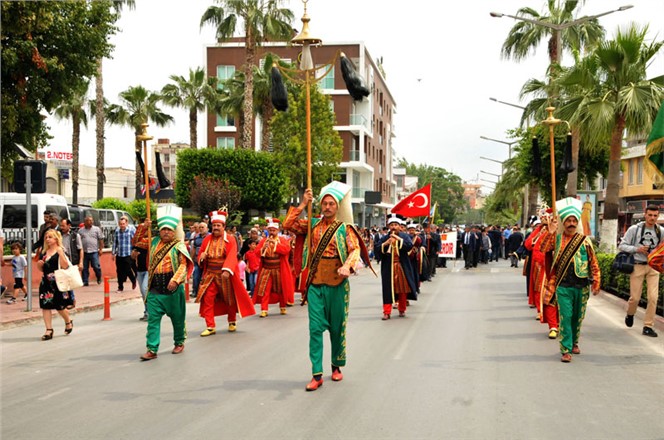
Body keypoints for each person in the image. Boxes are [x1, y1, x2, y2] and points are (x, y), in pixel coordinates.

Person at [283, 182, 373, 391]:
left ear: (337, 206)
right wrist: (303, 202)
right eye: (325, 203)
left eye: (332, 204)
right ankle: (316, 374)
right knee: (315, 329)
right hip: (315, 283)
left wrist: (347, 266)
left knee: (336, 328)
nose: (328, 207)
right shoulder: (311, 224)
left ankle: (336, 366)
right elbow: (288, 225)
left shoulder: (345, 228)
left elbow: (355, 250)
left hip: (337, 283)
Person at [540, 197, 601, 362]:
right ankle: (565, 349)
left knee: (577, 317)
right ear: (564, 222)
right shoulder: (557, 238)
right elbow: (543, 248)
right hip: (563, 286)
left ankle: (575, 342)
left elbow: (593, 263)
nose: (571, 223)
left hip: (581, 286)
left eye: (574, 220)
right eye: (568, 220)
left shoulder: (585, 240)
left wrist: (596, 281)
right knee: (565, 316)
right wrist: (550, 231)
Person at [140, 206, 193, 361]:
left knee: (177, 318)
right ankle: (152, 349)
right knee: (153, 321)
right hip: (155, 289)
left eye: (169, 230)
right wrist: (144, 227)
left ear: (174, 231)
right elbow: (136, 242)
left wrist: (176, 280)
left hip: (173, 289)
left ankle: (179, 342)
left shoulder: (178, 245)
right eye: (163, 229)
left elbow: (184, 265)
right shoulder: (153, 242)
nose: (166, 232)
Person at [195, 210, 255, 336]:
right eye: (214, 225)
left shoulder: (230, 239)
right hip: (210, 274)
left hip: (224, 274)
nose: (216, 228)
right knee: (207, 298)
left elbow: (232, 255)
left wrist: (227, 269)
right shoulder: (207, 240)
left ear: (223, 227)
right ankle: (210, 326)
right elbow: (200, 255)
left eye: (219, 225)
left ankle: (232, 321)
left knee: (229, 299)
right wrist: (202, 257)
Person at [618, 204, 663, 337]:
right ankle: (630, 313)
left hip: (653, 267)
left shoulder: (661, 231)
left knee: (653, 297)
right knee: (635, 298)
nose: (652, 218)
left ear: (658, 216)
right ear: (645, 214)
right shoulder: (634, 229)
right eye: (650, 215)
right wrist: (637, 249)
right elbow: (622, 245)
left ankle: (648, 326)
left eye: (655, 216)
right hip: (637, 265)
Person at [375, 214, 418, 320]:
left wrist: (398, 239)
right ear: (389, 227)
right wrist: (385, 244)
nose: (393, 227)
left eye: (395, 225)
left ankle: (402, 309)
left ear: (399, 226)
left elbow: (409, 246)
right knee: (387, 289)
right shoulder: (385, 237)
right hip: (388, 267)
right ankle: (386, 312)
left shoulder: (404, 236)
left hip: (401, 266)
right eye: (391, 225)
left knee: (402, 289)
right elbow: (377, 250)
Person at [524, 210, 559, 339]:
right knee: (546, 295)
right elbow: (532, 245)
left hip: (563, 268)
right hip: (544, 266)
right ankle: (553, 325)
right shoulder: (541, 231)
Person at [252, 218, 295, 317]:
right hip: (266, 269)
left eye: (274, 230)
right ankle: (264, 309)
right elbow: (257, 253)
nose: (272, 232)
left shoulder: (282, 240)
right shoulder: (263, 241)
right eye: (270, 230)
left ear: (278, 230)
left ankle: (283, 306)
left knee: (280, 289)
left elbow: (286, 250)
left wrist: (275, 244)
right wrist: (264, 247)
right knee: (265, 289)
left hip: (279, 268)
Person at [36, 229, 74, 340]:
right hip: (46, 282)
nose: (47, 239)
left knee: (60, 306)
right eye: (46, 237)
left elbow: (65, 266)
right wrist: (39, 264)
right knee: (45, 306)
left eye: (50, 237)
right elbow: (40, 268)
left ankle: (68, 321)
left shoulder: (60, 250)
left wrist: (61, 254)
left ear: (56, 239)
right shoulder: (43, 252)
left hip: (58, 282)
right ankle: (49, 330)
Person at [59, 218, 82, 309]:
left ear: (69, 225)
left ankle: (72, 300)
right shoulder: (59, 235)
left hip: (71, 262)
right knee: (63, 281)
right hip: (61, 261)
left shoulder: (75, 236)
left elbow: (81, 249)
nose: (62, 228)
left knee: (69, 282)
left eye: (63, 226)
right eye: (61, 226)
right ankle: (65, 300)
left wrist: (80, 262)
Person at [131, 217, 152, 321]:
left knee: (145, 289)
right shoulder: (138, 242)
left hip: (149, 269)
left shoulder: (151, 241)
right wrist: (133, 255)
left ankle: (151, 311)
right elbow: (135, 242)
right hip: (139, 270)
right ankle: (147, 311)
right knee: (143, 293)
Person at [112, 216, 136, 292]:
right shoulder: (117, 231)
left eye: (123, 224)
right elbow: (115, 242)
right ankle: (120, 287)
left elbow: (134, 241)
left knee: (128, 269)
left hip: (128, 253)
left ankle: (133, 280)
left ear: (126, 223)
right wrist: (113, 253)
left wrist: (135, 251)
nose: (122, 225)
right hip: (120, 254)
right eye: (121, 224)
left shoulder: (131, 230)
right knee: (119, 271)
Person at [78, 215, 104, 286]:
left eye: (91, 220)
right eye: (89, 220)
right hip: (85, 252)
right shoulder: (80, 230)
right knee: (85, 268)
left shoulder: (97, 229)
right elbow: (78, 241)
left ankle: (98, 277)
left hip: (94, 251)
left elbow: (101, 239)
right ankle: (85, 281)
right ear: (85, 222)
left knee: (96, 266)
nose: (91, 222)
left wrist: (101, 249)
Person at [189, 221, 209, 298]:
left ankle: (205, 292)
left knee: (206, 277)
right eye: (199, 227)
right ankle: (195, 291)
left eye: (202, 227)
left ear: (207, 228)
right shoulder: (196, 237)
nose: (201, 229)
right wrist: (191, 260)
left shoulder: (210, 237)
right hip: (198, 261)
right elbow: (193, 249)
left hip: (208, 262)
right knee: (196, 276)